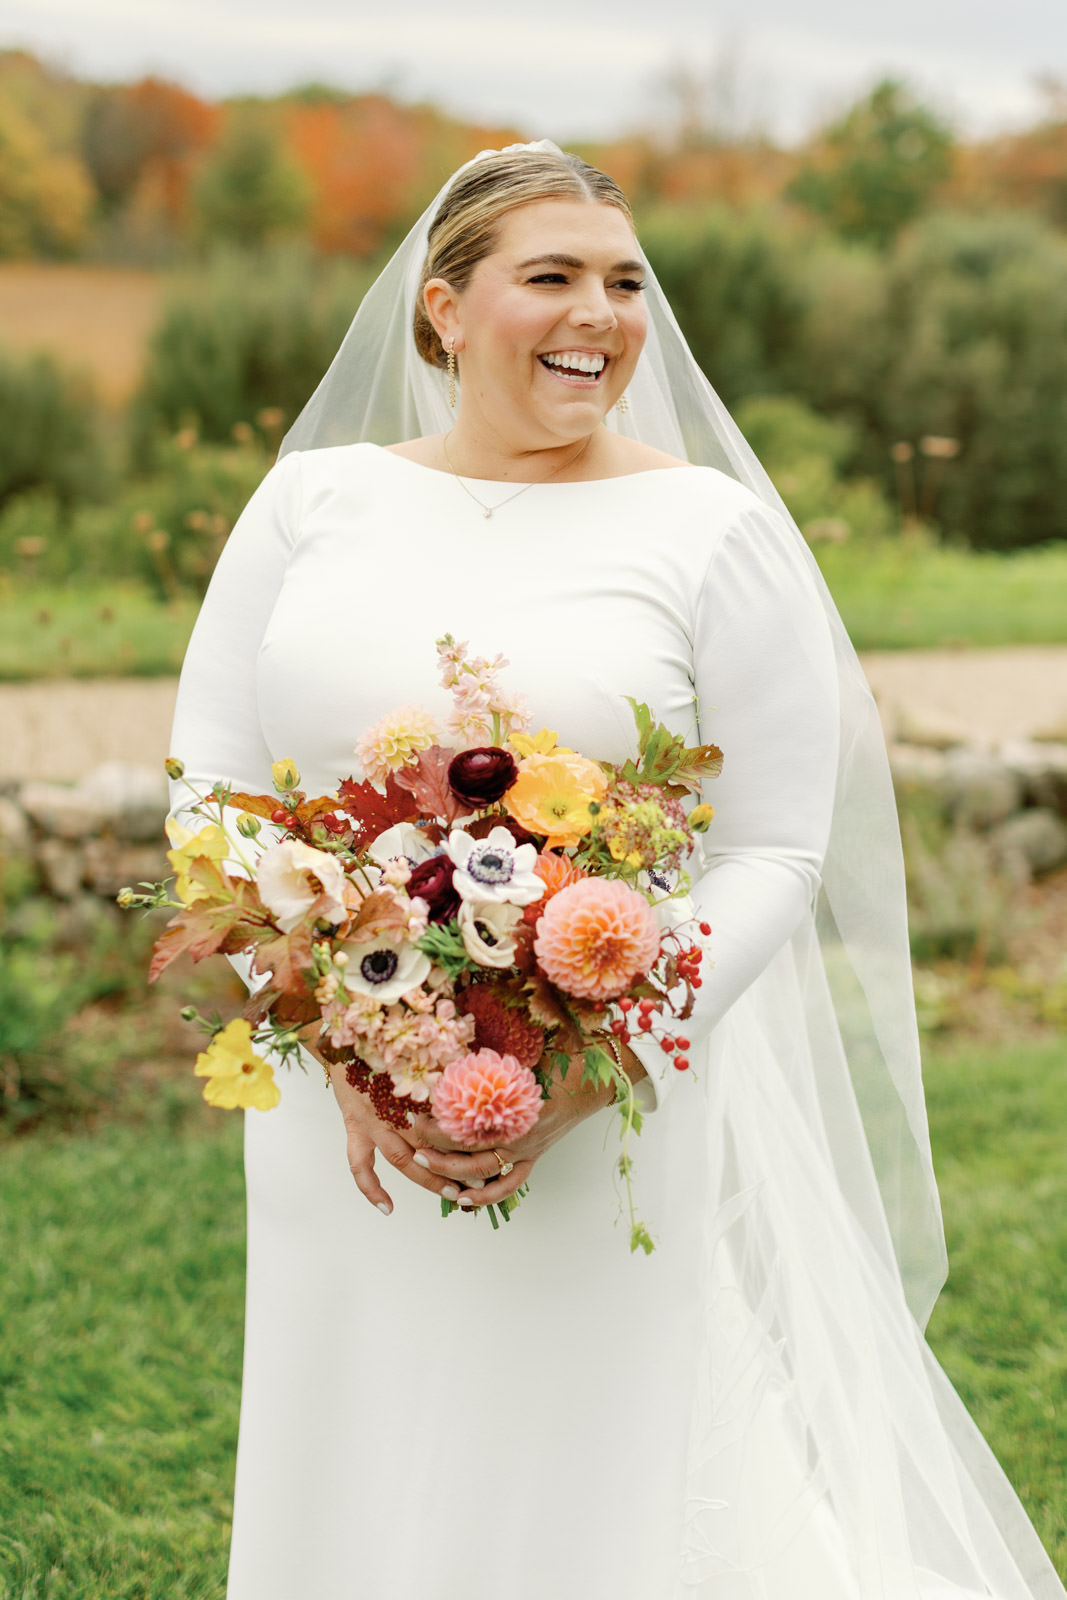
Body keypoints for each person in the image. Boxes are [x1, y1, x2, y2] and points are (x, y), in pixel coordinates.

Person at [169, 142, 1065, 1599]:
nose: (602, 313)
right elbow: (209, 774)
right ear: (445, 312)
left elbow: (776, 839)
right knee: (360, 1423)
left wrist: (602, 1057)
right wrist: (341, 1039)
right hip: (342, 1092)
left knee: (590, 1459)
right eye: (554, 277)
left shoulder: (710, 530)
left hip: (611, 1089)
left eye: (625, 281)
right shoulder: (308, 508)